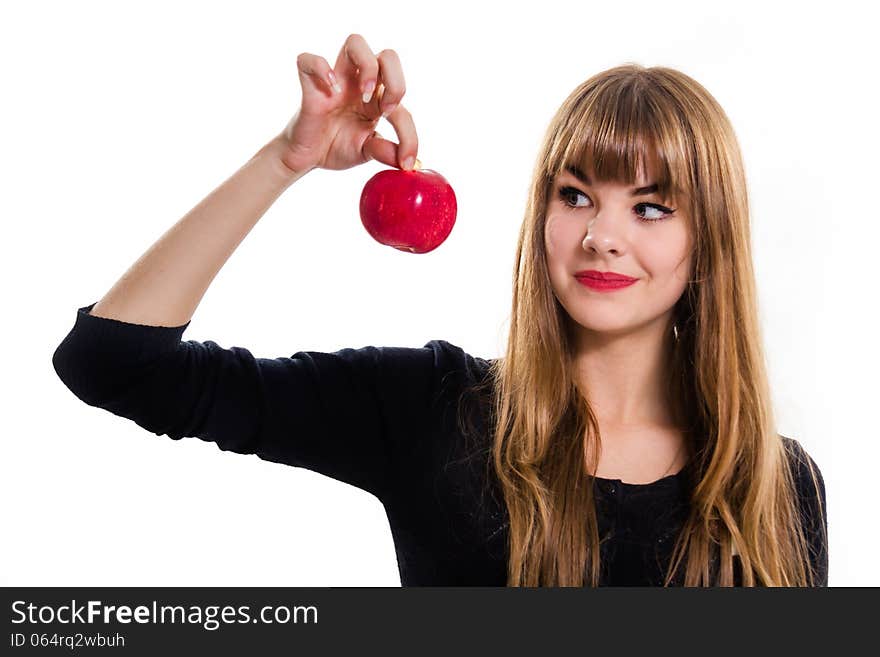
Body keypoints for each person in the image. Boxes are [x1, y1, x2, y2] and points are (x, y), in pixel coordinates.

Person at [52, 34, 827, 587]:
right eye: (577, 195)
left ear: (710, 239)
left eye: (652, 207)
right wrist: (283, 160)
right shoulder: (433, 409)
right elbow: (114, 363)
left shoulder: (778, 485)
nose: (600, 237)